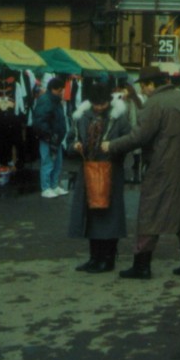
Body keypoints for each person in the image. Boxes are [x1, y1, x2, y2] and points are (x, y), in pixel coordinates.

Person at [103, 66, 180, 280]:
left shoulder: (155, 103)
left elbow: (138, 137)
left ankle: (142, 266)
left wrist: (111, 145)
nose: (143, 90)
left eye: (143, 85)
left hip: (161, 166)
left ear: (151, 84)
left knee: (151, 213)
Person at [68, 81, 132, 273]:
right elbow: (71, 138)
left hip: (111, 172)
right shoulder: (82, 116)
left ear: (109, 102)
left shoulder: (119, 117)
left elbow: (130, 140)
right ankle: (94, 257)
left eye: (102, 104)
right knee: (91, 216)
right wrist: (75, 145)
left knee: (109, 216)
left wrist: (112, 146)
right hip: (89, 171)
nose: (98, 108)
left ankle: (108, 258)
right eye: (95, 104)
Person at [32, 76, 70, 199]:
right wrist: (48, 135)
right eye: (59, 90)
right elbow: (40, 120)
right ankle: (46, 188)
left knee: (57, 162)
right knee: (48, 162)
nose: (61, 92)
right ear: (53, 89)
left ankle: (53, 185)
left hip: (56, 137)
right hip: (49, 137)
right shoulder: (45, 100)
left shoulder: (56, 100)